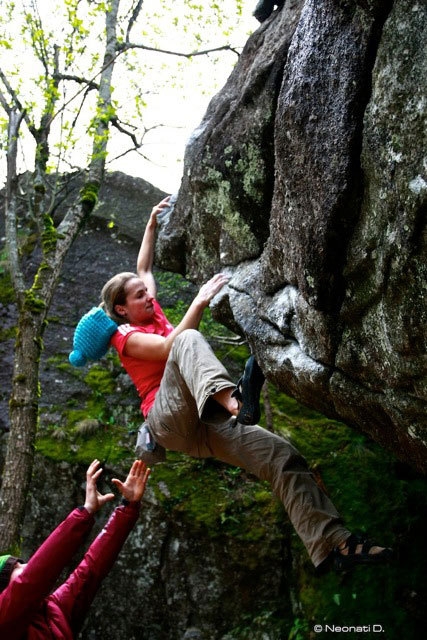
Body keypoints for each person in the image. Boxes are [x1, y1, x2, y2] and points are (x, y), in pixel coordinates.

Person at [96, 196, 392, 572]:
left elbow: (143, 266)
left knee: (281, 456)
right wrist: (200, 301)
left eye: (147, 291)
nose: (149, 297)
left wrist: (152, 221)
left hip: (203, 426)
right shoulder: (125, 336)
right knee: (186, 341)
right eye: (140, 295)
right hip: (166, 418)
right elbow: (171, 346)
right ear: (122, 308)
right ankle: (238, 403)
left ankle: (334, 545)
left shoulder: (147, 306)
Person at [0, 459, 150, 639]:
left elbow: (91, 569)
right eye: (17, 568)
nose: (26, 566)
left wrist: (128, 508)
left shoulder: (54, 609)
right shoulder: (3, 621)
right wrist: (84, 512)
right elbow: (34, 576)